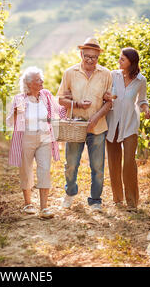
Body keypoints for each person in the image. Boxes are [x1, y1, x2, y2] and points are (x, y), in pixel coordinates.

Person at [57, 37, 112, 211]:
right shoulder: (70, 73)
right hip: (75, 126)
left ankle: (95, 200)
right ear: (81, 54)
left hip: (98, 126)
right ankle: (70, 193)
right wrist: (78, 104)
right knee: (71, 164)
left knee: (98, 167)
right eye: (86, 56)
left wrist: (95, 118)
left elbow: (109, 102)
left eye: (93, 57)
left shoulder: (106, 74)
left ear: (98, 58)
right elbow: (61, 99)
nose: (90, 60)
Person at [6, 67, 66, 219]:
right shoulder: (19, 99)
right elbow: (8, 123)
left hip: (45, 137)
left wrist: (75, 105)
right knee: (26, 170)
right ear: (29, 83)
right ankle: (28, 204)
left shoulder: (46, 95)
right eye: (38, 79)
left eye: (41, 78)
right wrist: (15, 112)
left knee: (44, 169)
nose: (42, 81)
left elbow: (59, 110)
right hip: (26, 137)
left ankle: (44, 207)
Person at [103, 47, 150, 211]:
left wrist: (146, 109)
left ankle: (132, 202)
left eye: (122, 59)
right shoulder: (112, 75)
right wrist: (107, 96)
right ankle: (117, 199)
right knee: (114, 161)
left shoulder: (140, 80)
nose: (119, 61)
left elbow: (142, 100)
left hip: (130, 123)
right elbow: (105, 94)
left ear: (131, 61)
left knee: (129, 162)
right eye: (119, 58)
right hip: (113, 123)